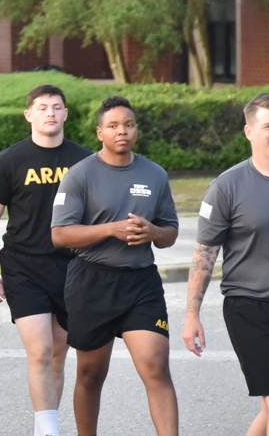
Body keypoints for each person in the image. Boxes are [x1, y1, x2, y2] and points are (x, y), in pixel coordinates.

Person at [183, 93, 269, 436]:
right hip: (251, 307)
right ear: (249, 132)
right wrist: (191, 315)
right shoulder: (227, 186)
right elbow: (204, 255)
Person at [51, 95, 179, 436]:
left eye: (129, 124)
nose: (122, 131)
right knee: (91, 374)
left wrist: (152, 231)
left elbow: (170, 233)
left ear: (136, 129)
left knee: (155, 365)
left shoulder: (154, 174)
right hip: (92, 281)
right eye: (113, 126)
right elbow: (60, 235)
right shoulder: (80, 175)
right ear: (99, 132)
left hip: (141, 283)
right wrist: (111, 229)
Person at [0, 84, 92, 436]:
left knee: (59, 350)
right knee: (40, 349)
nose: (50, 114)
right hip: (23, 265)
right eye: (42, 108)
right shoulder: (10, 161)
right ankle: (47, 430)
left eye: (57, 107)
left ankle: (49, 420)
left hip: (72, 266)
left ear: (66, 114)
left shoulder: (84, 161)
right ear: (29, 114)